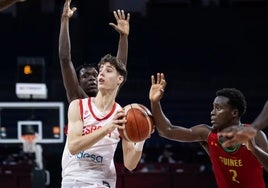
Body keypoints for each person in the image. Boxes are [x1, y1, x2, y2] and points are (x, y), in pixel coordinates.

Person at [149, 72, 268, 188]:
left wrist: (254, 149)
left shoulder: (256, 135)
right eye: (213, 108)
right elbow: (167, 130)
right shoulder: (207, 134)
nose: (212, 112)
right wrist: (155, 102)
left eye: (218, 108)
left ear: (234, 113)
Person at [61, 54, 147, 188]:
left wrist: (142, 137)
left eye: (108, 70)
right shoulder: (78, 106)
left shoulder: (123, 115)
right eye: (100, 70)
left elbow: (130, 164)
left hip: (104, 181)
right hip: (76, 178)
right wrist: (108, 127)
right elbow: (73, 146)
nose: (101, 74)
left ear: (120, 79)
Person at [59, 0, 130, 103]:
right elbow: (65, 60)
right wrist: (64, 20)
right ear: (77, 82)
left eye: (95, 75)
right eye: (85, 76)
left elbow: (120, 69)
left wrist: (124, 37)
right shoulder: (77, 97)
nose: (92, 78)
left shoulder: (109, 97)